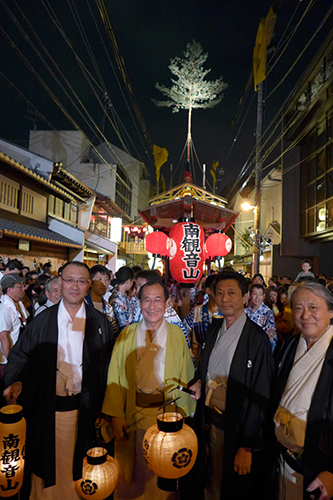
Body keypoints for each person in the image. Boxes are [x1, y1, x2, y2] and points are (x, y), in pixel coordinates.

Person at [3, 261, 115, 499]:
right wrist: (16, 382)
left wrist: (105, 409)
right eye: (69, 280)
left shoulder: (100, 324)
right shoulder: (42, 321)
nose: (75, 286)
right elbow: (20, 357)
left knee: (80, 473)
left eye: (81, 281)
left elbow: (107, 369)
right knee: (46, 475)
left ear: (88, 286)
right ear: (60, 282)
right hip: (47, 410)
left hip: (84, 412)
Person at [102, 280, 195, 499]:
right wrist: (115, 415)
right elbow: (114, 375)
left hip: (166, 417)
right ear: (138, 302)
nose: (152, 306)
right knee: (131, 479)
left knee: (162, 478)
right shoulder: (127, 334)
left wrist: (180, 414)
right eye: (146, 300)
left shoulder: (177, 335)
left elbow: (186, 376)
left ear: (167, 303)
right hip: (131, 415)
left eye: (157, 300)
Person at [190, 271, 274, 500]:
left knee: (230, 487)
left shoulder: (257, 339)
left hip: (235, 429)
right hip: (208, 421)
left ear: (246, 297)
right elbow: (204, 369)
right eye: (219, 293)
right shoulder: (213, 329)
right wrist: (199, 383)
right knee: (209, 479)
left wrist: (247, 445)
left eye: (231, 293)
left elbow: (261, 392)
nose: (224, 299)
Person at [271, 280, 333, 500]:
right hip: (282, 457)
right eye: (298, 308)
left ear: (331, 311)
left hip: (318, 466)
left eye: (313, 307)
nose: (305, 315)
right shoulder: (289, 345)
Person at [184, 274, 223, 364]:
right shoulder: (197, 311)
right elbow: (183, 333)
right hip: (198, 363)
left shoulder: (228, 314)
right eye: (219, 291)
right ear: (208, 291)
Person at [0, 274, 28, 389]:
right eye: (20, 286)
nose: (23, 289)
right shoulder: (4, 310)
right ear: (9, 289)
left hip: (19, 355)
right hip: (9, 361)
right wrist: (11, 362)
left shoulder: (18, 304)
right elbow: (3, 337)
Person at [245, 283, 278, 351]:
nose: (257, 297)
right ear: (250, 295)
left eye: (260, 294)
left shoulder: (267, 312)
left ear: (263, 296)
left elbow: (271, 336)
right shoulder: (245, 311)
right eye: (255, 294)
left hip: (261, 348)